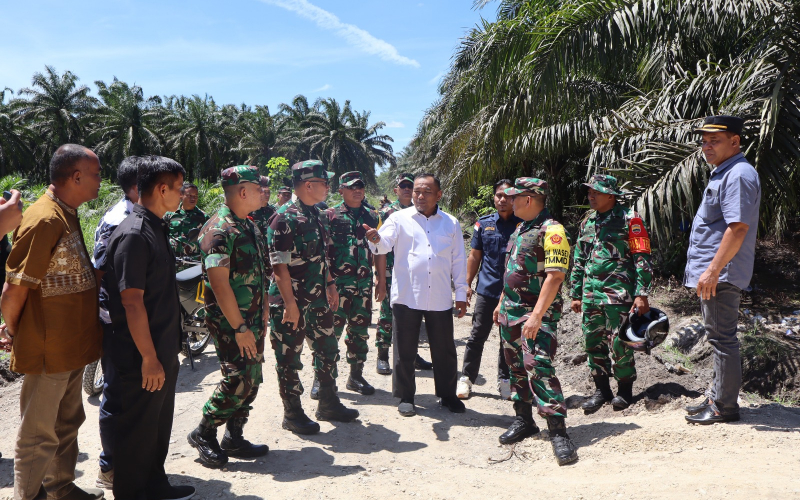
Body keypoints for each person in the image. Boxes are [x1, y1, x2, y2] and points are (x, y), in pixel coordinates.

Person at [1, 144, 104, 500]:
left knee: (67, 422)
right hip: (48, 346)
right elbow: (13, 292)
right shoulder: (44, 218)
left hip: (71, 344)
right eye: (96, 174)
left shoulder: (65, 212)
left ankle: (60, 488)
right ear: (76, 176)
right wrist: (16, 331)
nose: (100, 181)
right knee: (38, 433)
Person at [103, 156, 195, 500]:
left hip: (161, 347)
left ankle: (155, 484)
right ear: (162, 189)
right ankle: (132, 493)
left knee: (155, 425)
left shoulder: (156, 225)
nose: (183, 194)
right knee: (137, 430)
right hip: (140, 353)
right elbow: (131, 302)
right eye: (179, 187)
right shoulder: (134, 234)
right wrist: (149, 358)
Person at [267, 160, 360, 436]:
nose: (328, 187)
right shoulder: (284, 218)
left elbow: (323, 255)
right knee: (289, 357)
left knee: (328, 349)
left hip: (318, 298)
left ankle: (329, 403)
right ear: (309, 185)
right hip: (290, 301)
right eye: (324, 182)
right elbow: (279, 267)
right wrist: (291, 304)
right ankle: (293, 413)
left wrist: (330, 283)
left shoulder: (318, 214)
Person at [365, 173, 468, 417]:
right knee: (405, 349)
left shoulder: (450, 223)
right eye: (416, 192)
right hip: (407, 295)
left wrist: (461, 292)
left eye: (426, 192)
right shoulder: (398, 219)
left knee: (444, 350)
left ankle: (447, 395)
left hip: (440, 296)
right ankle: (405, 396)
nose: (420, 196)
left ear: (439, 195)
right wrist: (375, 238)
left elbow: (458, 261)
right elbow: (384, 243)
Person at [187, 166, 270, 468]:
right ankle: (204, 432)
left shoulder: (248, 225)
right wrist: (240, 326)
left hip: (252, 319)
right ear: (243, 191)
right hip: (231, 323)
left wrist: (261, 311)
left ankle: (234, 437)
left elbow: (258, 273)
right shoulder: (218, 229)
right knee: (238, 377)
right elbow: (219, 284)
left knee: (253, 378)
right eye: (258, 187)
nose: (264, 192)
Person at [493, 177, 577, 465]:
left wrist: (537, 316)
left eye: (514, 197)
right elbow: (513, 271)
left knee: (538, 367)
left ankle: (558, 431)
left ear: (528, 200)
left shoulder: (552, 231)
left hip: (535, 315)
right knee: (516, 368)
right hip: (511, 313)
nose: (509, 201)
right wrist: (500, 303)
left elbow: (555, 276)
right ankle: (524, 420)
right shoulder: (520, 228)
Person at [683, 115, 760, 425]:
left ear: (734, 142)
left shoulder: (738, 174)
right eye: (704, 140)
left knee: (722, 339)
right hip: (718, 272)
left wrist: (714, 270)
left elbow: (738, 228)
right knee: (719, 336)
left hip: (722, 274)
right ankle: (718, 396)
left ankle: (724, 407)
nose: (707, 146)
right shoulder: (724, 173)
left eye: (714, 140)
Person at [570, 174, 653, 412]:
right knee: (593, 342)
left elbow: (642, 258)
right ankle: (601, 390)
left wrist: (641, 293)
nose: (591, 196)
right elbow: (579, 260)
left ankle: (625, 392)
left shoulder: (630, 219)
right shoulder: (588, 222)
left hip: (619, 295)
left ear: (611, 195)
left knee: (620, 343)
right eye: (589, 192)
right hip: (591, 295)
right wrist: (576, 292)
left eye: (596, 192)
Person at [91, 156, 141, 490]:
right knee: (116, 393)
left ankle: (127, 462)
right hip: (117, 321)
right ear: (139, 187)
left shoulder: (134, 214)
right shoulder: (120, 219)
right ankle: (110, 468)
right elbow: (100, 271)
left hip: (122, 318)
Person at [457, 179, 519, 400]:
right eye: (498, 195)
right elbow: (475, 255)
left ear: (515, 198)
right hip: (487, 289)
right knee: (477, 336)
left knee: (508, 338)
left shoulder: (523, 224)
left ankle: (505, 380)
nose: (502, 200)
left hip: (513, 293)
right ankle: (466, 379)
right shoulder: (483, 224)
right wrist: (467, 285)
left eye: (507, 196)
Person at [322, 171, 380, 398]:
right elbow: (323, 252)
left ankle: (355, 376)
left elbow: (378, 249)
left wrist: (379, 279)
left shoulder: (372, 215)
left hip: (363, 286)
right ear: (341, 190)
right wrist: (328, 284)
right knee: (330, 332)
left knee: (359, 331)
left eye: (361, 186)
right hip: (337, 286)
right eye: (352, 187)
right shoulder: (329, 215)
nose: (357, 190)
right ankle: (324, 378)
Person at [373, 173, 432, 376]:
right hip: (391, 273)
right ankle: (382, 355)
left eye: (410, 185)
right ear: (396, 190)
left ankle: (412, 356)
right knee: (387, 315)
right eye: (403, 186)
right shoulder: (387, 213)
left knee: (413, 316)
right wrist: (380, 278)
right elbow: (379, 247)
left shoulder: (424, 211)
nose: (407, 189)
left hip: (414, 275)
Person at [165, 181, 208, 256]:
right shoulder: (170, 215)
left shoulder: (203, 217)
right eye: (189, 195)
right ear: (181, 195)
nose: (193, 198)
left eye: (195, 196)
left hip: (194, 262)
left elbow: (208, 240)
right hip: (174, 260)